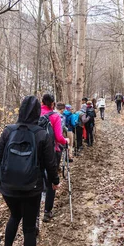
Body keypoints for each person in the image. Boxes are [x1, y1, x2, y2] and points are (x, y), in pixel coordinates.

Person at [0, 96, 59, 246]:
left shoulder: (8, 131)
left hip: (8, 187)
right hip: (32, 188)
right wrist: (54, 181)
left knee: (14, 216)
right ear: (38, 112)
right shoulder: (41, 134)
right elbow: (50, 163)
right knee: (29, 228)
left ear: (20, 110)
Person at [40, 94, 68, 222]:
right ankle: (47, 211)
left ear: (42, 102)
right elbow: (58, 137)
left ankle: (35, 216)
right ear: (52, 104)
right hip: (52, 151)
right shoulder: (55, 116)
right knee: (52, 179)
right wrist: (66, 141)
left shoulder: (35, 114)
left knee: (38, 180)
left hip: (36, 153)